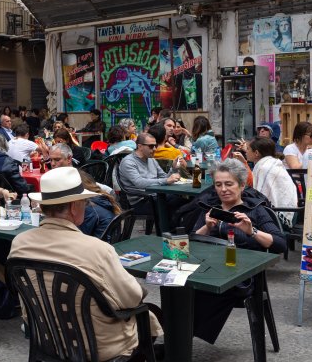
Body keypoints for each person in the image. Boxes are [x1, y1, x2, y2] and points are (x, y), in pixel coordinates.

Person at [9, 167, 161, 361]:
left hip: (46, 338)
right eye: (85, 202)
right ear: (74, 207)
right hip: (96, 345)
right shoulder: (97, 249)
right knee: (150, 315)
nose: (87, 206)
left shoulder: (20, 243)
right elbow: (131, 298)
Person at [192, 160, 285, 344]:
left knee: (208, 289)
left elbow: (280, 244)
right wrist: (207, 228)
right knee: (176, 285)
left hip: (243, 276)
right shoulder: (211, 209)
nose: (223, 189)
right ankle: (175, 338)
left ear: (242, 185)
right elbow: (190, 241)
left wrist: (252, 231)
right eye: (218, 184)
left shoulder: (255, 210)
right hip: (209, 268)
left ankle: (181, 341)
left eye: (229, 184)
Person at [117, 134, 181, 217]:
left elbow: (164, 178)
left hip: (156, 196)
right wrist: (166, 180)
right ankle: (168, 229)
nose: (154, 149)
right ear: (140, 146)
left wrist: (173, 168)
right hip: (140, 202)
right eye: (151, 146)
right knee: (179, 205)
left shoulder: (151, 159)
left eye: (155, 145)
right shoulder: (128, 162)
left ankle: (174, 228)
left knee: (184, 202)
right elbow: (139, 183)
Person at [241, 137, 297, 219]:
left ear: (256, 153)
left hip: (280, 215)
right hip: (291, 211)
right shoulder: (272, 163)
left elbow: (260, 198)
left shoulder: (264, 167)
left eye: (248, 149)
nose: (246, 152)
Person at [78, 171, 120, 238]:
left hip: (99, 244)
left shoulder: (88, 207)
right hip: (109, 242)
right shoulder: (102, 199)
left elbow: (81, 237)